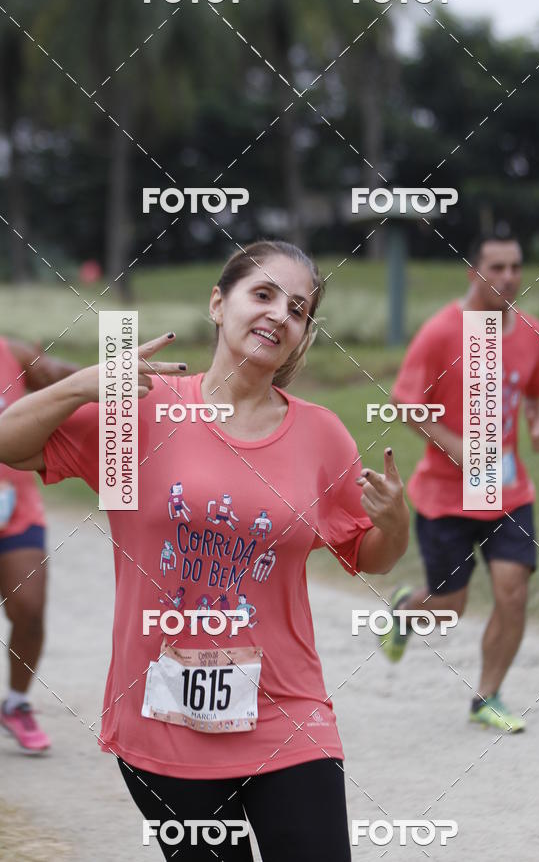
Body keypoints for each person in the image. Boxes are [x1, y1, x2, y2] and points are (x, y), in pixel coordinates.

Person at [0, 241, 410, 861]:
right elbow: (10, 443)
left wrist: (396, 522)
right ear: (219, 303)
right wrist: (83, 386)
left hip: (287, 711)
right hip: (163, 721)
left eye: (297, 309)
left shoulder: (322, 434)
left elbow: (371, 555)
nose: (279, 315)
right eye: (263, 294)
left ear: (301, 337)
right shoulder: (141, 410)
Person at [380, 234, 539, 733]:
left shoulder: (533, 332)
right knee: (450, 607)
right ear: (473, 274)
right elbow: (405, 401)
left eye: (516, 266)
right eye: (496, 267)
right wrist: (453, 443)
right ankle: (408, 612)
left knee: (512, 591)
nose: (508, 277)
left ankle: (487, 696)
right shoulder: (441, 332)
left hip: (507, 490)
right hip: (444, 495)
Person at [0, 337, 77, 752]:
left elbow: (62, 379)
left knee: (29, 609)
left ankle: (15, 703)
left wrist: (102, 377)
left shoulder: (13, 353)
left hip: (14, 509)